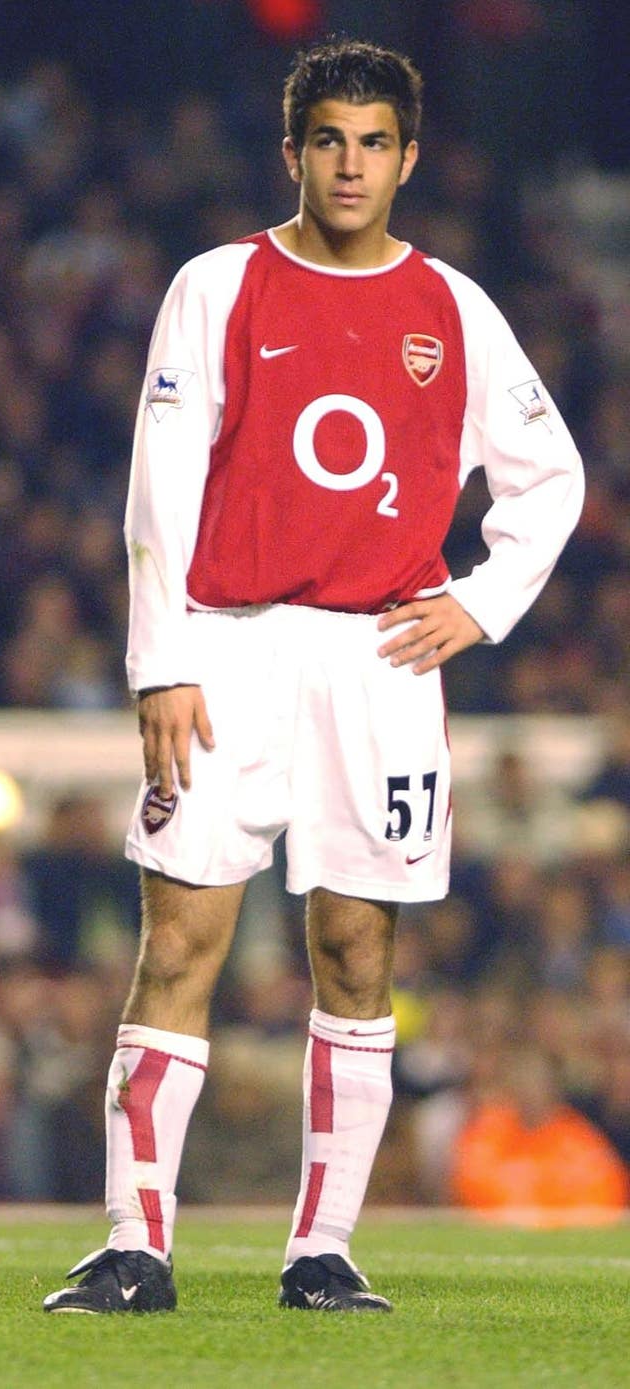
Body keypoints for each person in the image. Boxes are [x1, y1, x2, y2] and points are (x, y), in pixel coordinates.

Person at [43, 37, 584, 1315]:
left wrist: (481, 601)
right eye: (328, 140)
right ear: (293, 154)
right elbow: (159, 483)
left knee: (356, 950)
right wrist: (160, 662)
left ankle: (322, 1250)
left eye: (373, 142)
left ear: (407, 157)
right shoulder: (219, 284)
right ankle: (136, 1245)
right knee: (179, 940)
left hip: (378, 654)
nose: (350, 164)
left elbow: (548, 478)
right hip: (225, 648)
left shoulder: (453, 308)